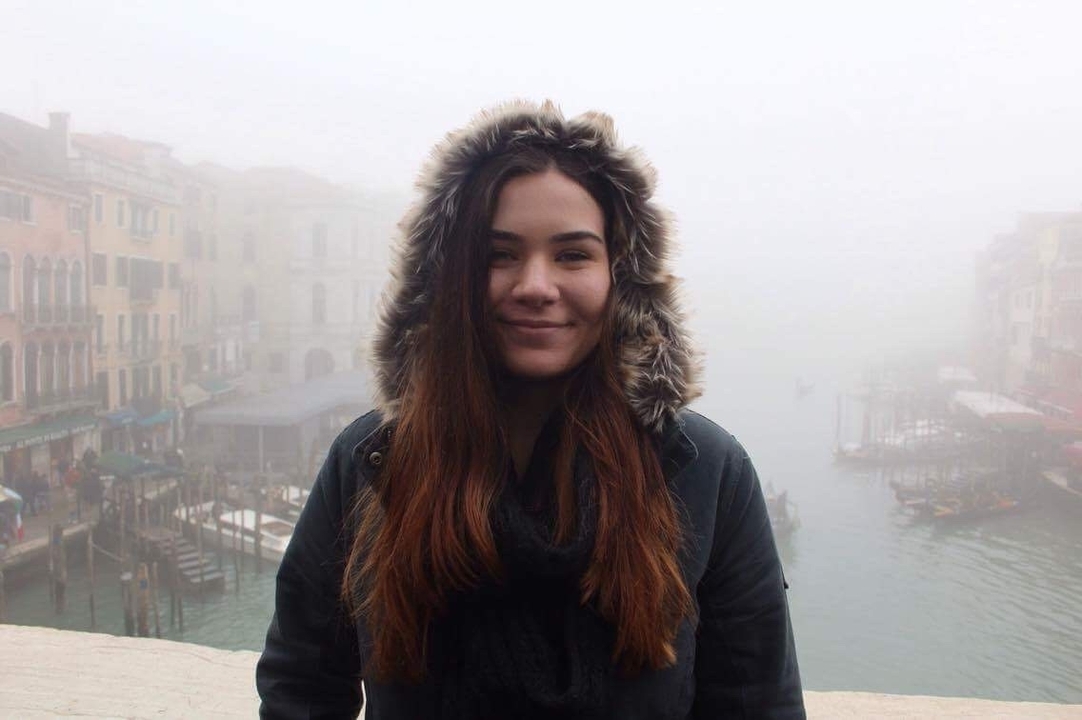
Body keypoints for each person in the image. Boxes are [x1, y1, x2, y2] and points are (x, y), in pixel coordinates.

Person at [256, 101, 804, 718]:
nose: (536, 287)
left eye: (573, 255)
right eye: (499, 255)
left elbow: (757, 704)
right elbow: (302, 689)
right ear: (450, 279)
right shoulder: (371, 462)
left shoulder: (706, 470)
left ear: (621, 278)